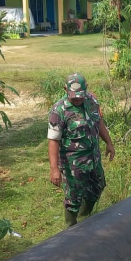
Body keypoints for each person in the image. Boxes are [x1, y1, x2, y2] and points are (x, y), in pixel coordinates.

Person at [48, 73, 115, 227]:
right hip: (73, 163)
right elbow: (53, 141)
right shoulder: (59, 111)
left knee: (98, 186)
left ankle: (85, 218)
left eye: (80, 95)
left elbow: (99, 122)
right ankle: (71, 228)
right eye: (73, 96)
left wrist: (109, 143)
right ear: (65, 89)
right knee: (74, 197)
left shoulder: (92, 101)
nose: (77, 99)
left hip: (93, 157)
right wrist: (54, 169)